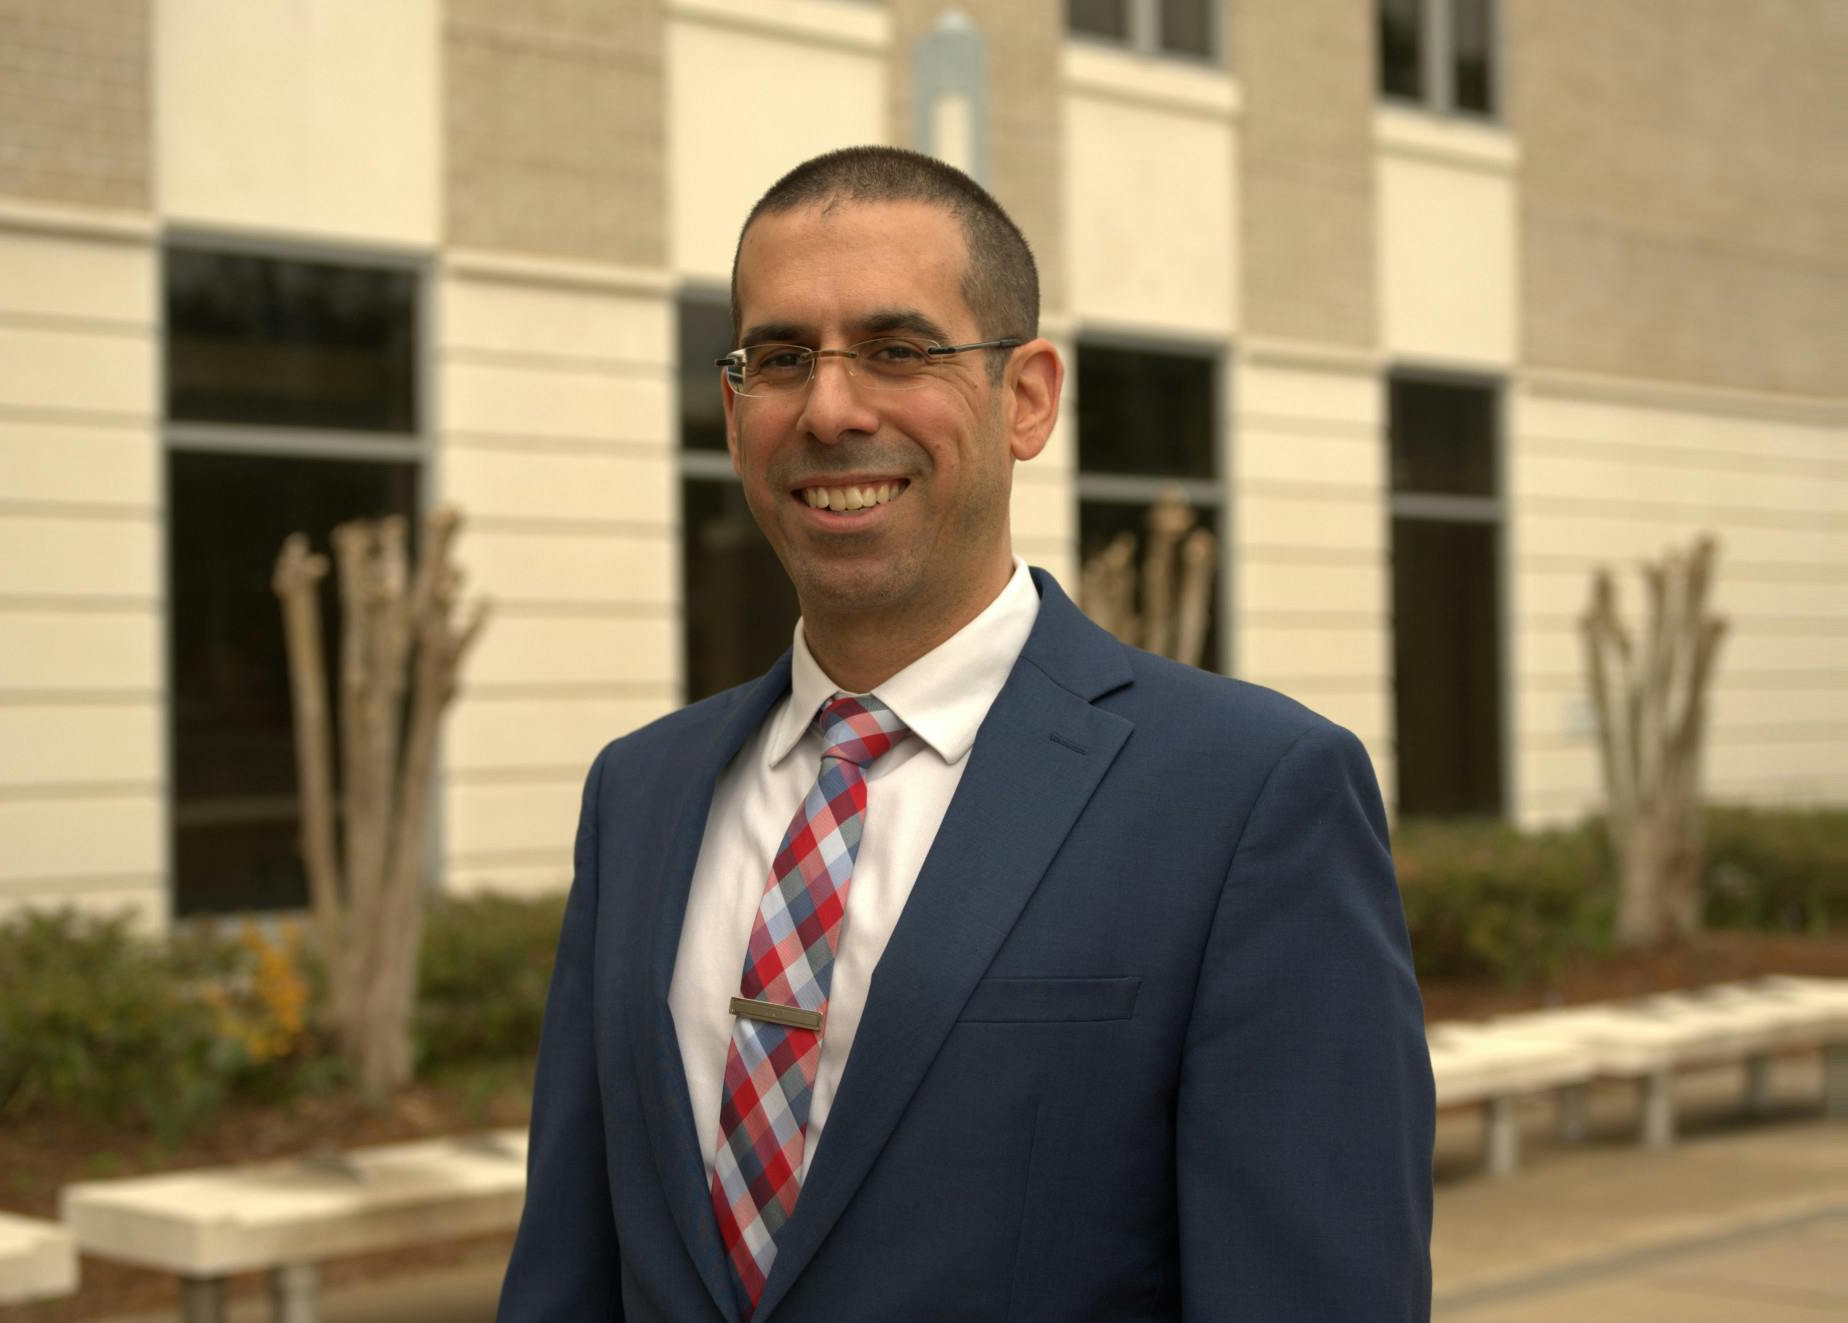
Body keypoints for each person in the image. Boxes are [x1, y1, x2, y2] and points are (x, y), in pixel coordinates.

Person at [497, 145, 1433, 1323]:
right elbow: (568, 1272)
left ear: (1026, 398)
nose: (829, 410)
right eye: (780, 359)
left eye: (896, 351)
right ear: (734, 415)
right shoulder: (638, 795)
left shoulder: (1248, 798)